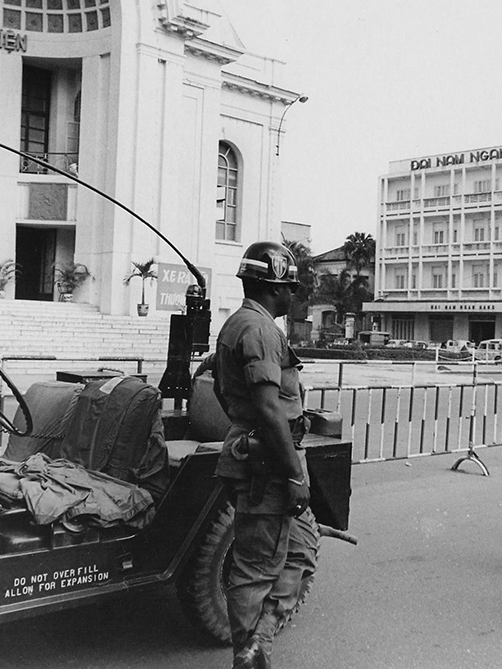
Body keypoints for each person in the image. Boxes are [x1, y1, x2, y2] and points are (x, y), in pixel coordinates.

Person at [212, 241, 317, 669]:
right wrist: (293, 475)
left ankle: (259, 640)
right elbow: (268, 406)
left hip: (265, 455)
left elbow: (223, 393)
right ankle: (250, 658)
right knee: (256, 569)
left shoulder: (238, 325)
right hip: (269, 465)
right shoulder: (258, 330)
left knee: (301, 549)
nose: (294, 296)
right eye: (291, 287)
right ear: (275, 287)